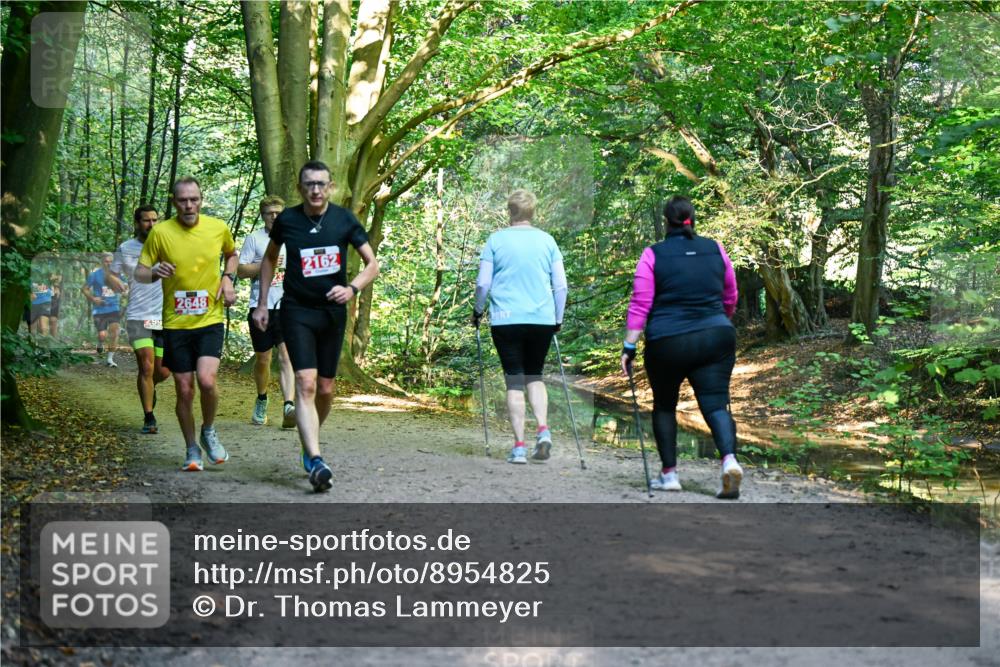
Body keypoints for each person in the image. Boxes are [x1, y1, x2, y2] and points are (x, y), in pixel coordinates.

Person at [252, 160, 379, 493]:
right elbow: (268, 259)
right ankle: (316, 458)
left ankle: (310, 440)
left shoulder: (344, 220)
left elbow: (372, 264)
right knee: (305, 384)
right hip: (296, 310)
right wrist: (263, 303)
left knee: (325, 389)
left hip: (332, 313)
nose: (315, 190)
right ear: (300, 188)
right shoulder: (288, 221)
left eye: (321, 184)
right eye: (309, 184)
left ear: (331, 186)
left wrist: (352, 288)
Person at [621, 195, 743, 499]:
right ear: (692, 218)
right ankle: (729, 461)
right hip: (716, 335)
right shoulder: (716, 249)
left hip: (667, 340)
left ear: (666, 221)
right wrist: (718, 321)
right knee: (715, 404)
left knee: (664, 405)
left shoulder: (653, 254)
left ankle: (670, 475)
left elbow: (641, 303)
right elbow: (731, 294)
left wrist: (629, 346)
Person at [134, 178, 238, 472]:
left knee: (206, 381)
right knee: (184, 388)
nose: (189, 205)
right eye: (183, 200)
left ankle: (209, 429)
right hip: (176, 323)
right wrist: (154, 272)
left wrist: (228, 278)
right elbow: (140, 273)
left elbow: (232, 255)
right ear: (174, 202)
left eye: (194, 199)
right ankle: (192, 448)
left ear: (201, 200)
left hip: (209, 318)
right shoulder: (161, 233)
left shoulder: (217, 227)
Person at [472, 190, 567, 465]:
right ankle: (543, 429)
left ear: (509, 212)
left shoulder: (495, 240)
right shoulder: (547, 241)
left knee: (514, 380)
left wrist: (478, 311)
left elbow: (483, 284)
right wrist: (557, 318)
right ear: (533, 212)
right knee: (534, 376)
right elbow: (560, 285)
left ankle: (519, 447)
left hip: (506, 318)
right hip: (542, 319)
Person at [108, 206, 172, 434]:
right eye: (147, 221)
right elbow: (111, 273)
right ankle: (149, 417)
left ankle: (150, 386)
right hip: (138, 315)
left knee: (162, 372)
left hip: (165, 317)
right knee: (146, 365)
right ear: (137, 223)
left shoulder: (167, 245)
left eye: (155, 220)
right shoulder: (126, 248)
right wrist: (114, 281)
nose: (152, 224)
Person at [238, 195, 296, 428]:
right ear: (262, 215)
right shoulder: (254, 239)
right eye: (269, 213)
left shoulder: (293, 238)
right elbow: (241, 270)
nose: (274, 216)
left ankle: (288, 405)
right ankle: (262, 398)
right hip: (260, 305)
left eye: (278, 213)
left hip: (287, 305)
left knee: (286, 356)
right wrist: (268, 263)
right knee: (263, 358)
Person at [82, 253, 123, 366]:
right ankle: (100, 342)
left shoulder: (118, 274)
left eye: (111, 261)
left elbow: (125, 286)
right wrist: (93, 298)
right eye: (106, 261)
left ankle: (110, 359)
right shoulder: (94, 275)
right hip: (99, 310)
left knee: (115, 332)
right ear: (102, 262)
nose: (109, 263)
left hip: (114, 307)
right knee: (102, 335)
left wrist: (125, 290)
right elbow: (84, 289)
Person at [47, 274, 62, 338]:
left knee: (53, 325)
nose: (56, 281)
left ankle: (53, 341)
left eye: (57, 280)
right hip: (48, 310)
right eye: (55, 280)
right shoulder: (49, 288)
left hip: (54, 311)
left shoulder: (59, 289)